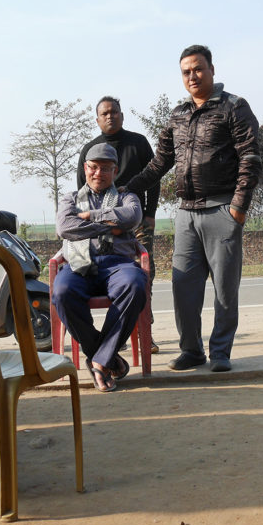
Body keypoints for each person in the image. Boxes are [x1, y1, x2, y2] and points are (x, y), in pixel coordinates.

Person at [124, 44, 261, 373]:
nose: (192, 76)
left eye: (198, 69)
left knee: (225, 290)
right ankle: (192, 350)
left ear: (212, 70)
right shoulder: (178, 114)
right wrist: (125, 188)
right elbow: (159, 163)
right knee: (183, 286)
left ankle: (221, 352)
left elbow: (250, 157)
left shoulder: (234, 107)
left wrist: (238, 208)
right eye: (186, 72)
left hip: (222, 210)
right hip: (185, 214)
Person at [52, 143, 148, 392]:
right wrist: (109, 224)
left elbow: (131, 217)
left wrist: (89, 216)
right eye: (93, 167)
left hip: (118, 265)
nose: (98, 173)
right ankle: (105, 358)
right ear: (85, 168)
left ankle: (98, 360)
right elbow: (65, 228)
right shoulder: (70, 198)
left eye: (105, 168)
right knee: (62, 293)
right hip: (79, 265)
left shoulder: (127, 197)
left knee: (135, 285)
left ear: (114, 171)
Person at [78, 96, 160, 353]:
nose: (110, 116)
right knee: (105, 274)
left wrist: (149, 213)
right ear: (97, 119)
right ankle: (118, 334)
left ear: (122, 115)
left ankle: (146, 330)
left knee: (144, 274)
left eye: (114, 112)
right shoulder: (90, 150)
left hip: (135, 220)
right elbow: (81, 190)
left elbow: (154, 179)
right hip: (99, 225)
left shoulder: (138, 143)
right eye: (104, 113)